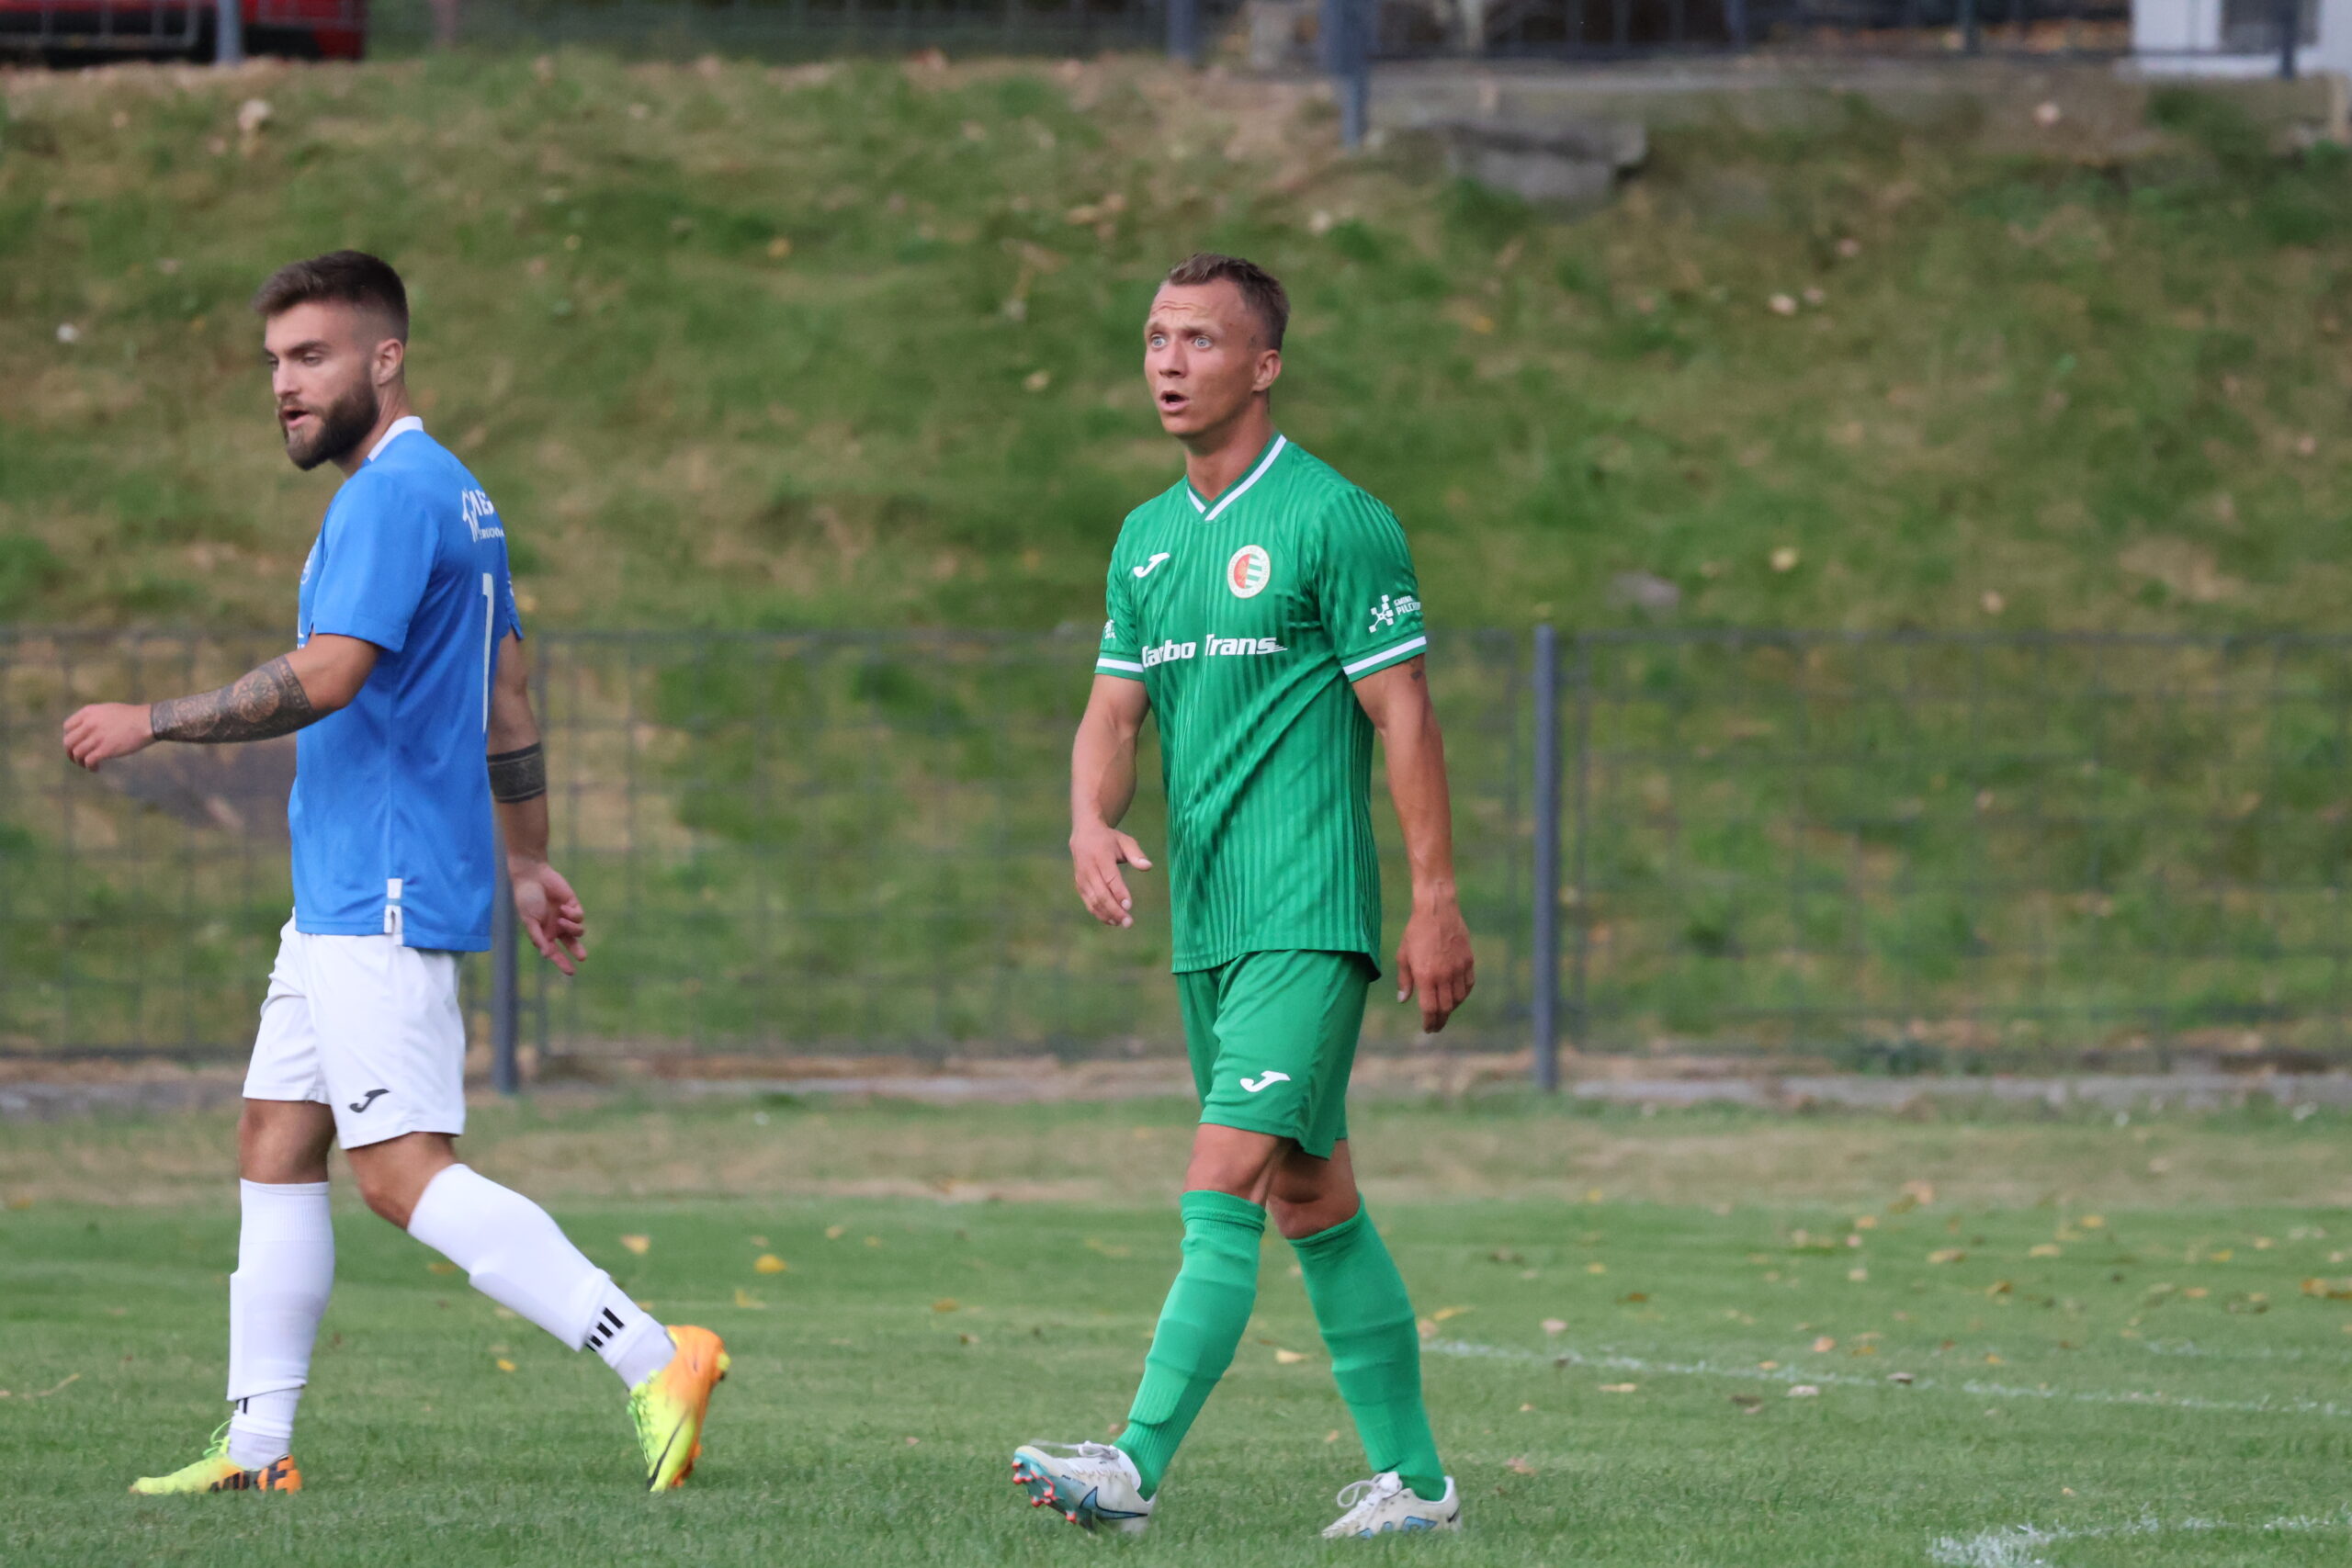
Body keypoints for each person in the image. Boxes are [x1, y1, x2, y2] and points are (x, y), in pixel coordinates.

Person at [62, 251, 729, 1496]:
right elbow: (507, 695)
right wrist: (528, 860)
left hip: (380, 885)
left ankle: (655, 1354)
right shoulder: (461, 496)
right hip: (343, 893)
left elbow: (328, 675)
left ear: (387, 356)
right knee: (274, 1139)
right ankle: (257, 1448)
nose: (285, 385)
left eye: (311, 357)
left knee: (400, 1172)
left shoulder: (387, 499)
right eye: (274, 362)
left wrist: (153, 717)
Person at [1011, 253, 1475, 1540]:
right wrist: (1087, 820)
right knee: (1311, 1197)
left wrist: (1434, 898)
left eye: (1200, 341)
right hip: (1209, 925)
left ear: (1264, 365)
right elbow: (1115, 713)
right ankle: (1418, 1486)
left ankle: (1132, 1467)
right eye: (1156, 337)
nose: (1169, 362)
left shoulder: (1336, 519)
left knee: (1220, 1184)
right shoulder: (1147, 539)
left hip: (1307, 917)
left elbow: (1405, 714)